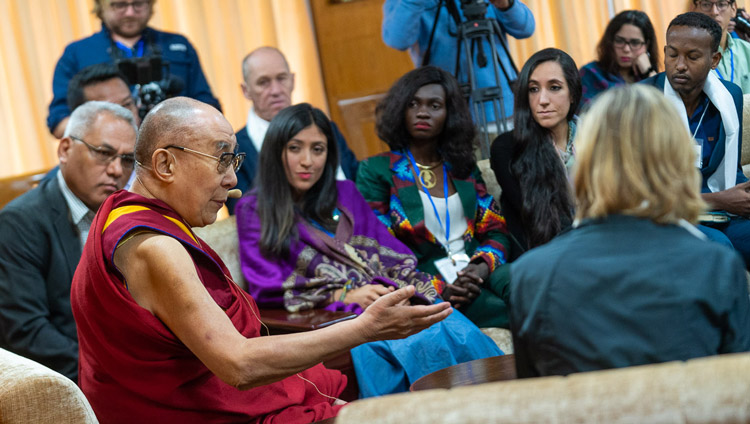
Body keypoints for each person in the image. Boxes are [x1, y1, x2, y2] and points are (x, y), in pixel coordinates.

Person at [70, 97, 451, 422]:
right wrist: (366, 328)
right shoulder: (154, 247)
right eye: (221, 160)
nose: (232, 182)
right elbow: (239, 364)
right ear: (166, 164)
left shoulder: (122, 217)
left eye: (234, 162)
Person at [235, 103, 502, 397]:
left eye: (318, 149)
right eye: (295, 148)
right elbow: (266, 286)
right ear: (276, 152)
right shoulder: (254, 209)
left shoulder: (345, 193)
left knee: (448, 325)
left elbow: (391, 253)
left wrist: (394, 292)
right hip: (334, 323)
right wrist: (344, 295)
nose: (307, 161)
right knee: (416, 341)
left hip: (383, 300)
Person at [510, 84, 750, 378]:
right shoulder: (717, 266)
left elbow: (536, 402)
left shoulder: (529, 275)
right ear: (676, 161)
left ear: (583, 164)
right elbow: (738, 395)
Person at [357, 66, 512, 328]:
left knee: (534, 291)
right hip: (429, 280)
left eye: (435, 105)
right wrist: (437, 289)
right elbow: (379, 251)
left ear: (449, 114)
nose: (423, 112)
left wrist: (481, 267)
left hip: (479, 267)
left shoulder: (462, 166)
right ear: (400, 110)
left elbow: (496, 229)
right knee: (510, 312)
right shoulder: (376, 171)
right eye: (414, 104)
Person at [0, 101, 137, 381]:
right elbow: (27, 332)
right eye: (103, 153)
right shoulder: (18, 223)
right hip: (76, 379)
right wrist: (112, 377)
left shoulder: (130, 214)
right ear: (65, 150)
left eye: (126, 160)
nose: (115, 170)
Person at [641, 12, 750, 267]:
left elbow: (730, 172)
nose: (679, 64)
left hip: (721, 215)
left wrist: (742, 196)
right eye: (672, 54)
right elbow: (637, 193)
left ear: (715, 60)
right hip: (665, 217)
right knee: (718, 250)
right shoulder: (640, 101)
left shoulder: (730, 96)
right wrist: (719, 200)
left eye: (692, 56)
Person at [47, 0, 220, 138]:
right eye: (119, 4)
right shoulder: (78, 53)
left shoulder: (178, 45)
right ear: (101, 5)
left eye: (138, 3)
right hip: (114, 156)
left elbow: (209, 105)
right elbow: (59, 122)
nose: (130, 12)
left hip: (179, 146)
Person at [229, 46, 359, 214]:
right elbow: (244, 216)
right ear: (246, 91)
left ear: (292, 81)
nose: (275, 90)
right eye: (263, 82)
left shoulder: (326, 129)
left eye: (281, 79)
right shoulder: (234, 149)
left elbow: (356, 184)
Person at [382, 0, 535, 126]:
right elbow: (397, 40)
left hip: (504, 105)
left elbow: (525, 28)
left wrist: (506, 5)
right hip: (449, 112)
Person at [490, 48, 580, 261]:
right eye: (533, 89)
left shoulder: (598, 138)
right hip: (548, 257)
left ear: (573, 93)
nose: (542, 100)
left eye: (555, 88)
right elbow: (538, 221)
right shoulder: (508, 148)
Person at [579, 10, 660, 109]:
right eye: (619, 41)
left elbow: (664, 109)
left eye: (635, 43)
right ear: (610, 41)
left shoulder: (649, 77)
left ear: (646, 45)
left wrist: (649, 72)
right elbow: (586, 116)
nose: (626, 49)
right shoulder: (591, 73)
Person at [693, 0, 750, 94]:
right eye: (706, 4)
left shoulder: (747, 50)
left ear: (733, 9)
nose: (714, 12)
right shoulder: (688, 57)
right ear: (694, 10)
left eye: (721, 4)